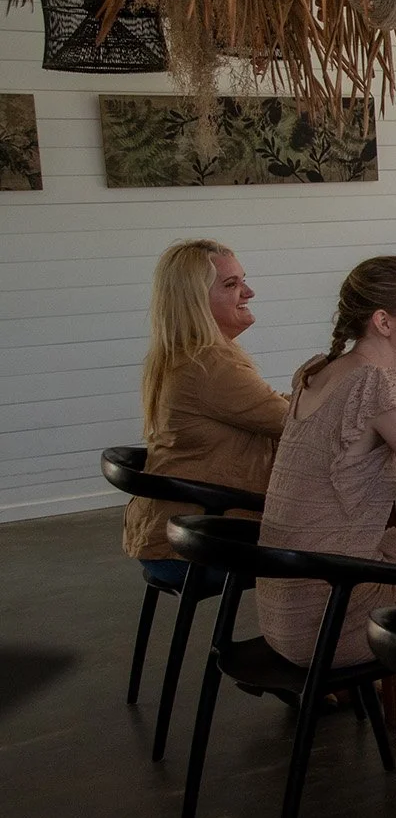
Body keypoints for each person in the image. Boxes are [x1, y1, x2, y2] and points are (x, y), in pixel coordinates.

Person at [257, 257, 396, 669]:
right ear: (383, 321)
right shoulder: (377, 384)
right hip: (333, 615)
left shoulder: (318, 372)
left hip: (284, 611)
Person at [123, 240, 289, 593]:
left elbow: (269, 407)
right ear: (193, 300)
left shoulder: (187, 353)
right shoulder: (209, 365)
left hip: (171, 534)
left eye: (243, 281)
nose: (249, 292)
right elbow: (298, 424)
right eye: (231, 285)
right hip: (195, 546)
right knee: (346, 556)